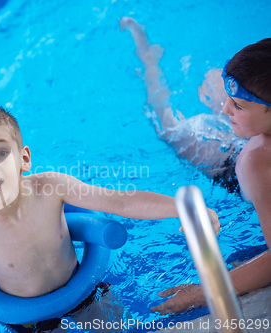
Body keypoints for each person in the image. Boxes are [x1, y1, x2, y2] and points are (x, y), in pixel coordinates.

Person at [0, 100, 219, 322]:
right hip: (31, 320)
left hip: (84, 290)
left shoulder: (50, 187)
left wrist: (185, 208)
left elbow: (121, 201)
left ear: (24, 158)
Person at [121, 17, 271, 314]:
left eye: (236, 106)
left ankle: (150, 62)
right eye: (228, 101)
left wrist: (202, 293)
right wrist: (240, 106)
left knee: (169, 130)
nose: (226, 109)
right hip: (249, 139)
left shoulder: (256, 165)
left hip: (231, 166)